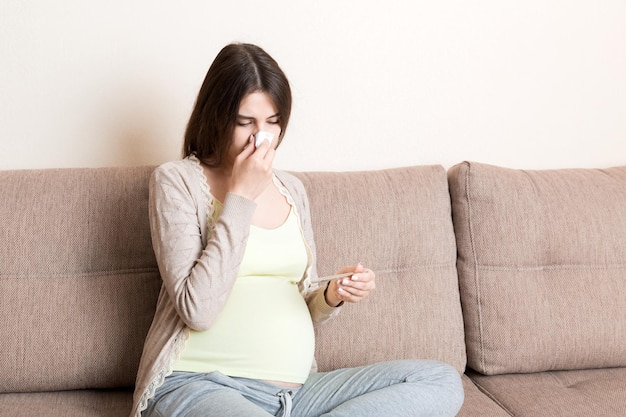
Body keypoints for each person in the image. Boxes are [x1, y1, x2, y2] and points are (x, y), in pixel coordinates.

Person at [131, 43, 464, 417]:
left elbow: (303, 297)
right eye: (246, 123)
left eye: (273, 122)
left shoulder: (292, 189)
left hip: (300, 395)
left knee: (440, 380)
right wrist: (241, 196)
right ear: (216, 116)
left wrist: (332, 295)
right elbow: (198, 310)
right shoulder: (177, 181)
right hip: (200, 385)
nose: (262, 138)